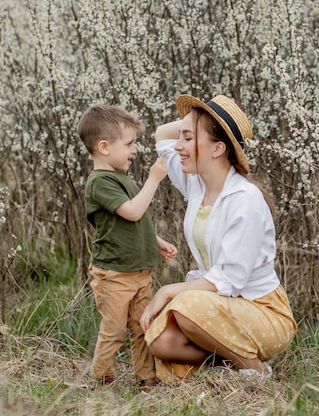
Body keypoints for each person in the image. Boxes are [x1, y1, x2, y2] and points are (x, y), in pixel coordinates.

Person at [139, 94, 297, 382]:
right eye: (182, 137)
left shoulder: (245, 200)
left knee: (184, 306)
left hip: (262, 311)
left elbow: (231, 278)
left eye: (187, 138)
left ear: (218, 149)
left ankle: (255, 370)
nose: (178, 146)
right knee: (160, 339)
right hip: (219, 306)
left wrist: (167, 291)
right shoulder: (197, 183)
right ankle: (226, 366)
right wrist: (203, 118)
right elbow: (162, 134)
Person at [77, 104, 178, 390]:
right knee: (114, 331)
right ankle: (102, 380)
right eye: (130, 143)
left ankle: (147, 379)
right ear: (105, 147)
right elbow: (133, 211)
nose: (135, 150)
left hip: (139, 272)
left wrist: (155, 242)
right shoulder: (99, 182)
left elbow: (134, 219)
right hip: (114, 274)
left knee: (141, 327)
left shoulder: (120, 177)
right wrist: (154, 179)